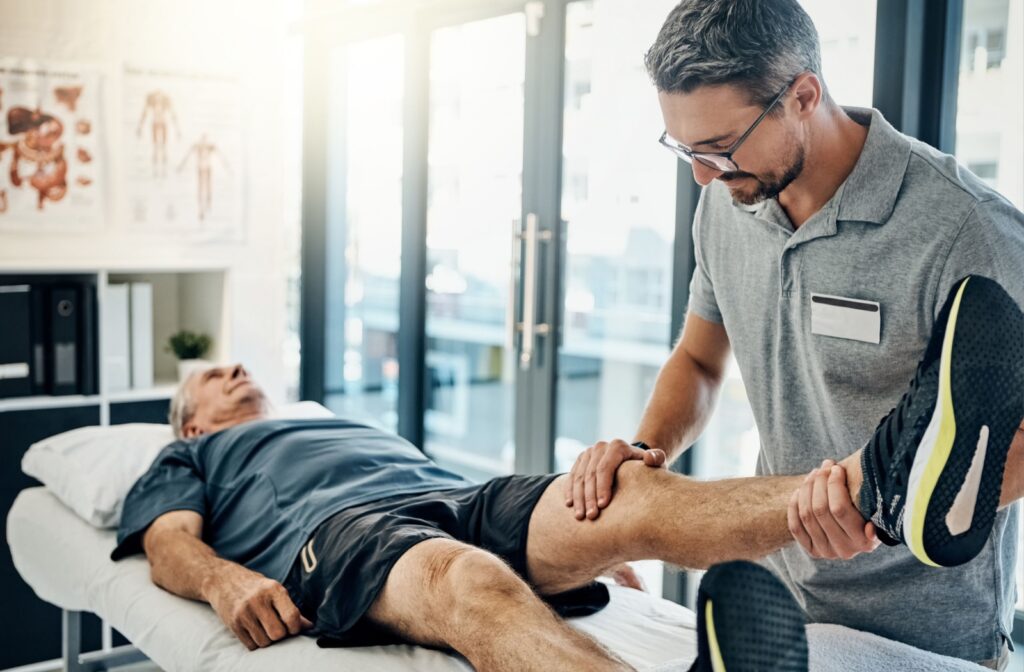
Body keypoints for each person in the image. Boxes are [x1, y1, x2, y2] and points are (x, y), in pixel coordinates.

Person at [116, 275, 1023, 671]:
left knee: (629, 493)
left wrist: (582, 554)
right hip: (345, 536)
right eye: (215, 378)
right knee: (456, 579)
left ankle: (883, 485)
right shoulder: (195, 453)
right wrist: (227, 582)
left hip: (458, 493)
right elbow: (166, 543)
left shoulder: (334, 418)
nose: (239, 374)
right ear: (193, 417)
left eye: (241, 368)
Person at [564, 1, 1024, 668]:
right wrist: (646, 449)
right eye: (686, 148)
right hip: (774, 608)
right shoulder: (728, 200)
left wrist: (886, 510)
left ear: (803, 95)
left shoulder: (965, 228)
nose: (702, 174)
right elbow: (698, 359)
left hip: (927, 634)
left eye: (720, 146)